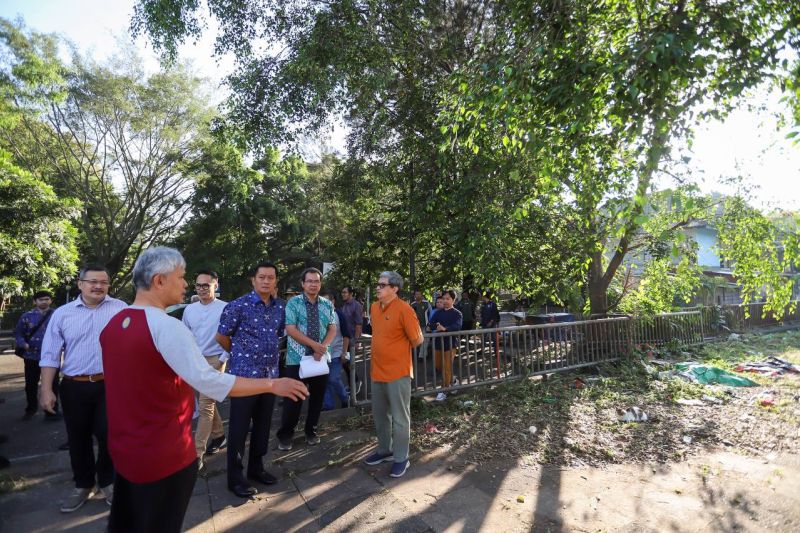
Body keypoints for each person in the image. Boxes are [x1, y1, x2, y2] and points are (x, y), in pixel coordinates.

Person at [100, 247, 308, 533]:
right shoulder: (166, 327)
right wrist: (273, 384)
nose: (186, 284)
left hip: (126, 451)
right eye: (182, 277)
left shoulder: (113, 324)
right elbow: (209, 381)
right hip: (165, 455)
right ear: (159, 281)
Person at [39, 265, 127, 513]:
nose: (98, 286)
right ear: (80, 284)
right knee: (77, 438)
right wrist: (46, 389)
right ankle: (83, 484)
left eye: (104, 282)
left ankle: (108, 481)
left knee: (109, 434)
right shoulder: (63, 314)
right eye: (92, 282)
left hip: (109, 385)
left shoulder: (121, 309)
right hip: (74, 386)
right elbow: (50, 355)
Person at [215, 262, 287, 498]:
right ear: (253, 280)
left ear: (276, 281)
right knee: (238, 430)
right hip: (244, 379)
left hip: (270, 378)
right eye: (262, 277)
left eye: (271, 278)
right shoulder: (238, 306)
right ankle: (235, 479)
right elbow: (222, 336)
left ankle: (257, 469)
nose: (266, 281)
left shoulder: (279, 308)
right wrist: (239, 357)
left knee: (263, 427)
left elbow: (276, 336)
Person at [362, 271, 423, 478]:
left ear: (394, 288)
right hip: (377, 370)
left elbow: (417, 339)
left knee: (400, 418)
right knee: (380, 416)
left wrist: (397, 350)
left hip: (398, 372)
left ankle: (401, 458)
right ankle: (384, 451)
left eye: (382, 284)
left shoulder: (405, 309)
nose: (377, 287)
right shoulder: (373, 308)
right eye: (377, 284)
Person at [277, 268, 336, 450]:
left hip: (320, 359)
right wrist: (314, 345)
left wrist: (322, 347)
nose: (313, 284)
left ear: (320, 283)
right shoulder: (293, 303)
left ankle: (311, 431)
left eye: (316, 281)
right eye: (309, 281)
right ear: (303, 284)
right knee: (293, 399)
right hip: (297, 359)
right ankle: (286, 435)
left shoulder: (327, 304)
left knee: (317, 399)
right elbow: (291, 329)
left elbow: (332, 328)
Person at [182, 269, 228, 468]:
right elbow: (186, 335)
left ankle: (197, 453)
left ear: (215, 285)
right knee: (205, 402)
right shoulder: (189, 310)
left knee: (205, 405)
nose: (201, 289)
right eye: (198, 285)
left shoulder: (226, 308)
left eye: (206, 285)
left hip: (216, 360)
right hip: (195, 360)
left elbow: (232, 337)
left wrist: (222, 359)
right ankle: (219, 436)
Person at [14, 290, 59, 421]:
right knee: (30, 385)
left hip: (51, 357)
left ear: (50, 300)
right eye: (41, 300)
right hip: (31, 356)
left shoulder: (57, 315)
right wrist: (23, 344)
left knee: (53, 385)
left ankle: (52, 411)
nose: (44, 302)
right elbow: (18, 333)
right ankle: (31, 409)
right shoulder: (26, 316)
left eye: (47, 299)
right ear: (35, 301)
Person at [427, 290, 463, 402]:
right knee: (439, 366)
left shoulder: (457, 313)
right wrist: (435, 326)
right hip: (438, 343)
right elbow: (430, 324)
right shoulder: (438, 312)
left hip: (450, 344)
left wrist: (445, 329)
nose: (445, 301)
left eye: (448, 299)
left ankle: (443, 391)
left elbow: (457, 326)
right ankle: (453, 382)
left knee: (447, 368)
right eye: (444, 299)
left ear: (453, 300)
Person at [321, 290, 352, 410]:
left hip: (336, 352)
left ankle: (345, 398)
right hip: (323, 353)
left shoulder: (339, 314)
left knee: (333, 378)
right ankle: (329, 405)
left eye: (327, 300)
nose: (325, 303)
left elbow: (346, 335)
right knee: (324, 379)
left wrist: (344, 352)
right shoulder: (319, 315)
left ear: (333, 301)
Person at [340, 286, 363, 394]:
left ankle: (356, 383)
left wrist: (357, 342)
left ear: (350, 294)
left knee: (349, 364)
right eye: (342, 293)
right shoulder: (344, 306)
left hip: (352, 340)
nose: (343, 294)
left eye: (345, 292)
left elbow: (358, 324)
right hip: (345, 339)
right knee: (345, 363)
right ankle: (352, 384)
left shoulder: (356, 305)